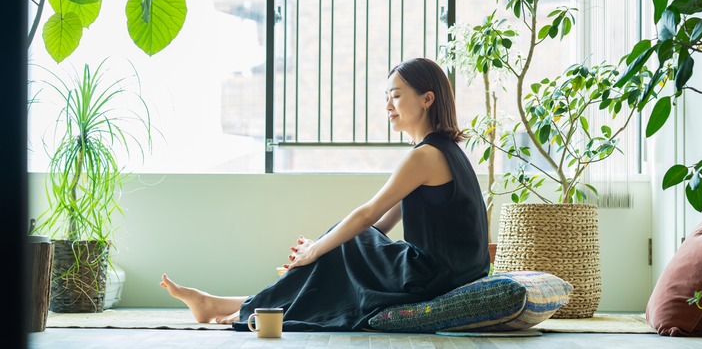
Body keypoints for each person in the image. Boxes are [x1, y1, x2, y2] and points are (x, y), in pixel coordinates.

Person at [160, 57, 489, 331]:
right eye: (387, 96)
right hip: (449, 270)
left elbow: (367, 215)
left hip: (434, 275)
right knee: (345, 245)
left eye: (397, 96)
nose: (388, 105)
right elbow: (382, 223)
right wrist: (326, 252)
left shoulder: (424, 156)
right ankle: (227, 305)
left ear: (427, 99)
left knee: (344, 240)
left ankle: (240, 309)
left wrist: (317, 249)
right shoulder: (445, 152)